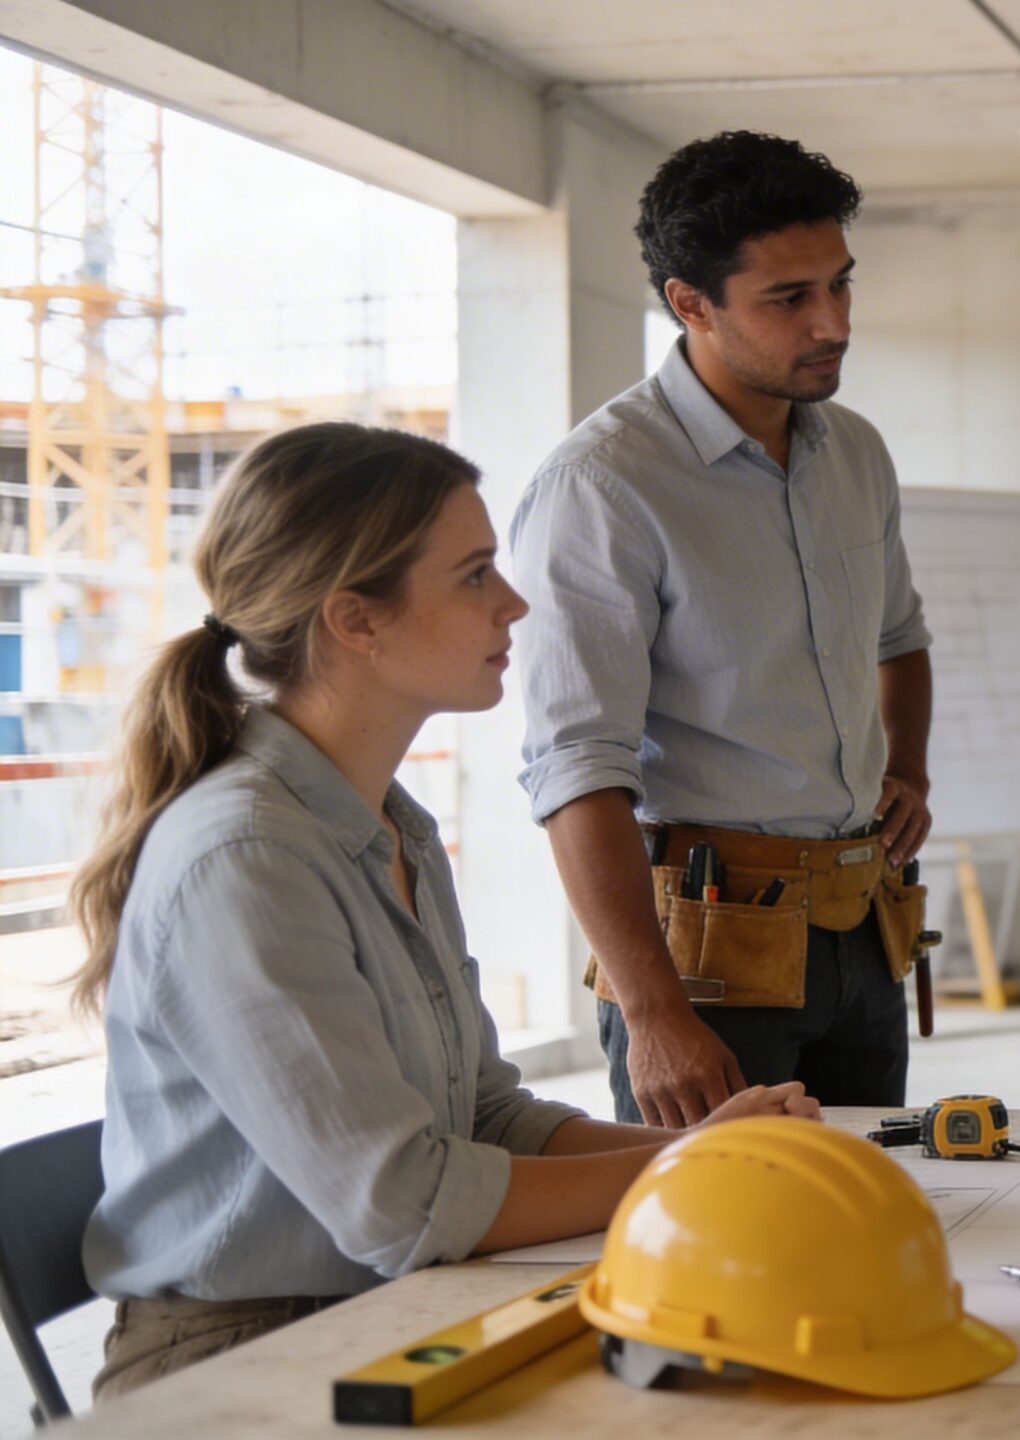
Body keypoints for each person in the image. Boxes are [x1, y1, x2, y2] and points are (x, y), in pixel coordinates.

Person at [69, 424, 819, 1400]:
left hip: (389, 1304)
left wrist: (738, 1151)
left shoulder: (393, 826)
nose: (513, 603)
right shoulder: (246, 859)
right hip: (241, 1355)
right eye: (473, 577)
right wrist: (694, 1161)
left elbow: (484, 1117)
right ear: (356, 620)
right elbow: (406, 1206)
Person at [512, 130, 935, 1128]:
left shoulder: (855, 453)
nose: (832, 322)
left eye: (840, 284)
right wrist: (653, 1014)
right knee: (725, 1245)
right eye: (789, 299)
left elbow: (900, 635)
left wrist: (907, 768)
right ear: (690, 303)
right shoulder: (604, 486)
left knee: (864, 1216)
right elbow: (577, 770)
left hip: (863, 927)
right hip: (706, 958)